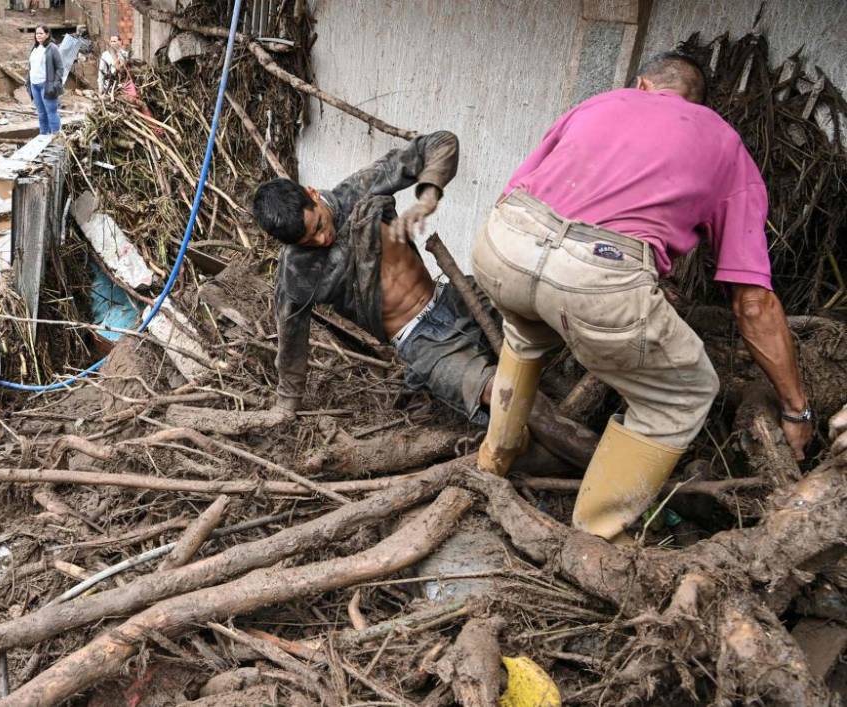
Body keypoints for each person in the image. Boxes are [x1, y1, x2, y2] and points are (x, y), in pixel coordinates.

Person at [471, 52, 812, 543]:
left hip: (504, 242)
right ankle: (591, 538)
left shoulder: (599, 103)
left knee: (524, 331)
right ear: (697, 103)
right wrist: (796, 409)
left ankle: (494, 460)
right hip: (598, 274)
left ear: (643, 84)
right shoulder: (723, 142)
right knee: (684, 394)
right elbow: (753, 303)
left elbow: (517, 191)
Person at [252, 132, 501, 427]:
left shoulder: (358, 191)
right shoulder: (297, 272)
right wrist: (286, 405)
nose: (322, 239)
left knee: (529, 323)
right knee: (496, 393)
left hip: (454, 297)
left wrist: (429, 196)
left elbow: (440, 143)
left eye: (318, 225)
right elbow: (291, 340)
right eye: (308, 241)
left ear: (313, 194)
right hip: (420, 341)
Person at [27, 25, 63, 136]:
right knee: (41, 113)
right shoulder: (35, 48)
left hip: (46, 85)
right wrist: (28, 82)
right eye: (37, 33)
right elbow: (31, 66)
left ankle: (56, 136)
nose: (38, 35)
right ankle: (43, 136)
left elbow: (60, 68)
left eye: (41, 33)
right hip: (34, 85)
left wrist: (55, 84)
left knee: (51, 112)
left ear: (47, 35)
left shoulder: (52, 48)